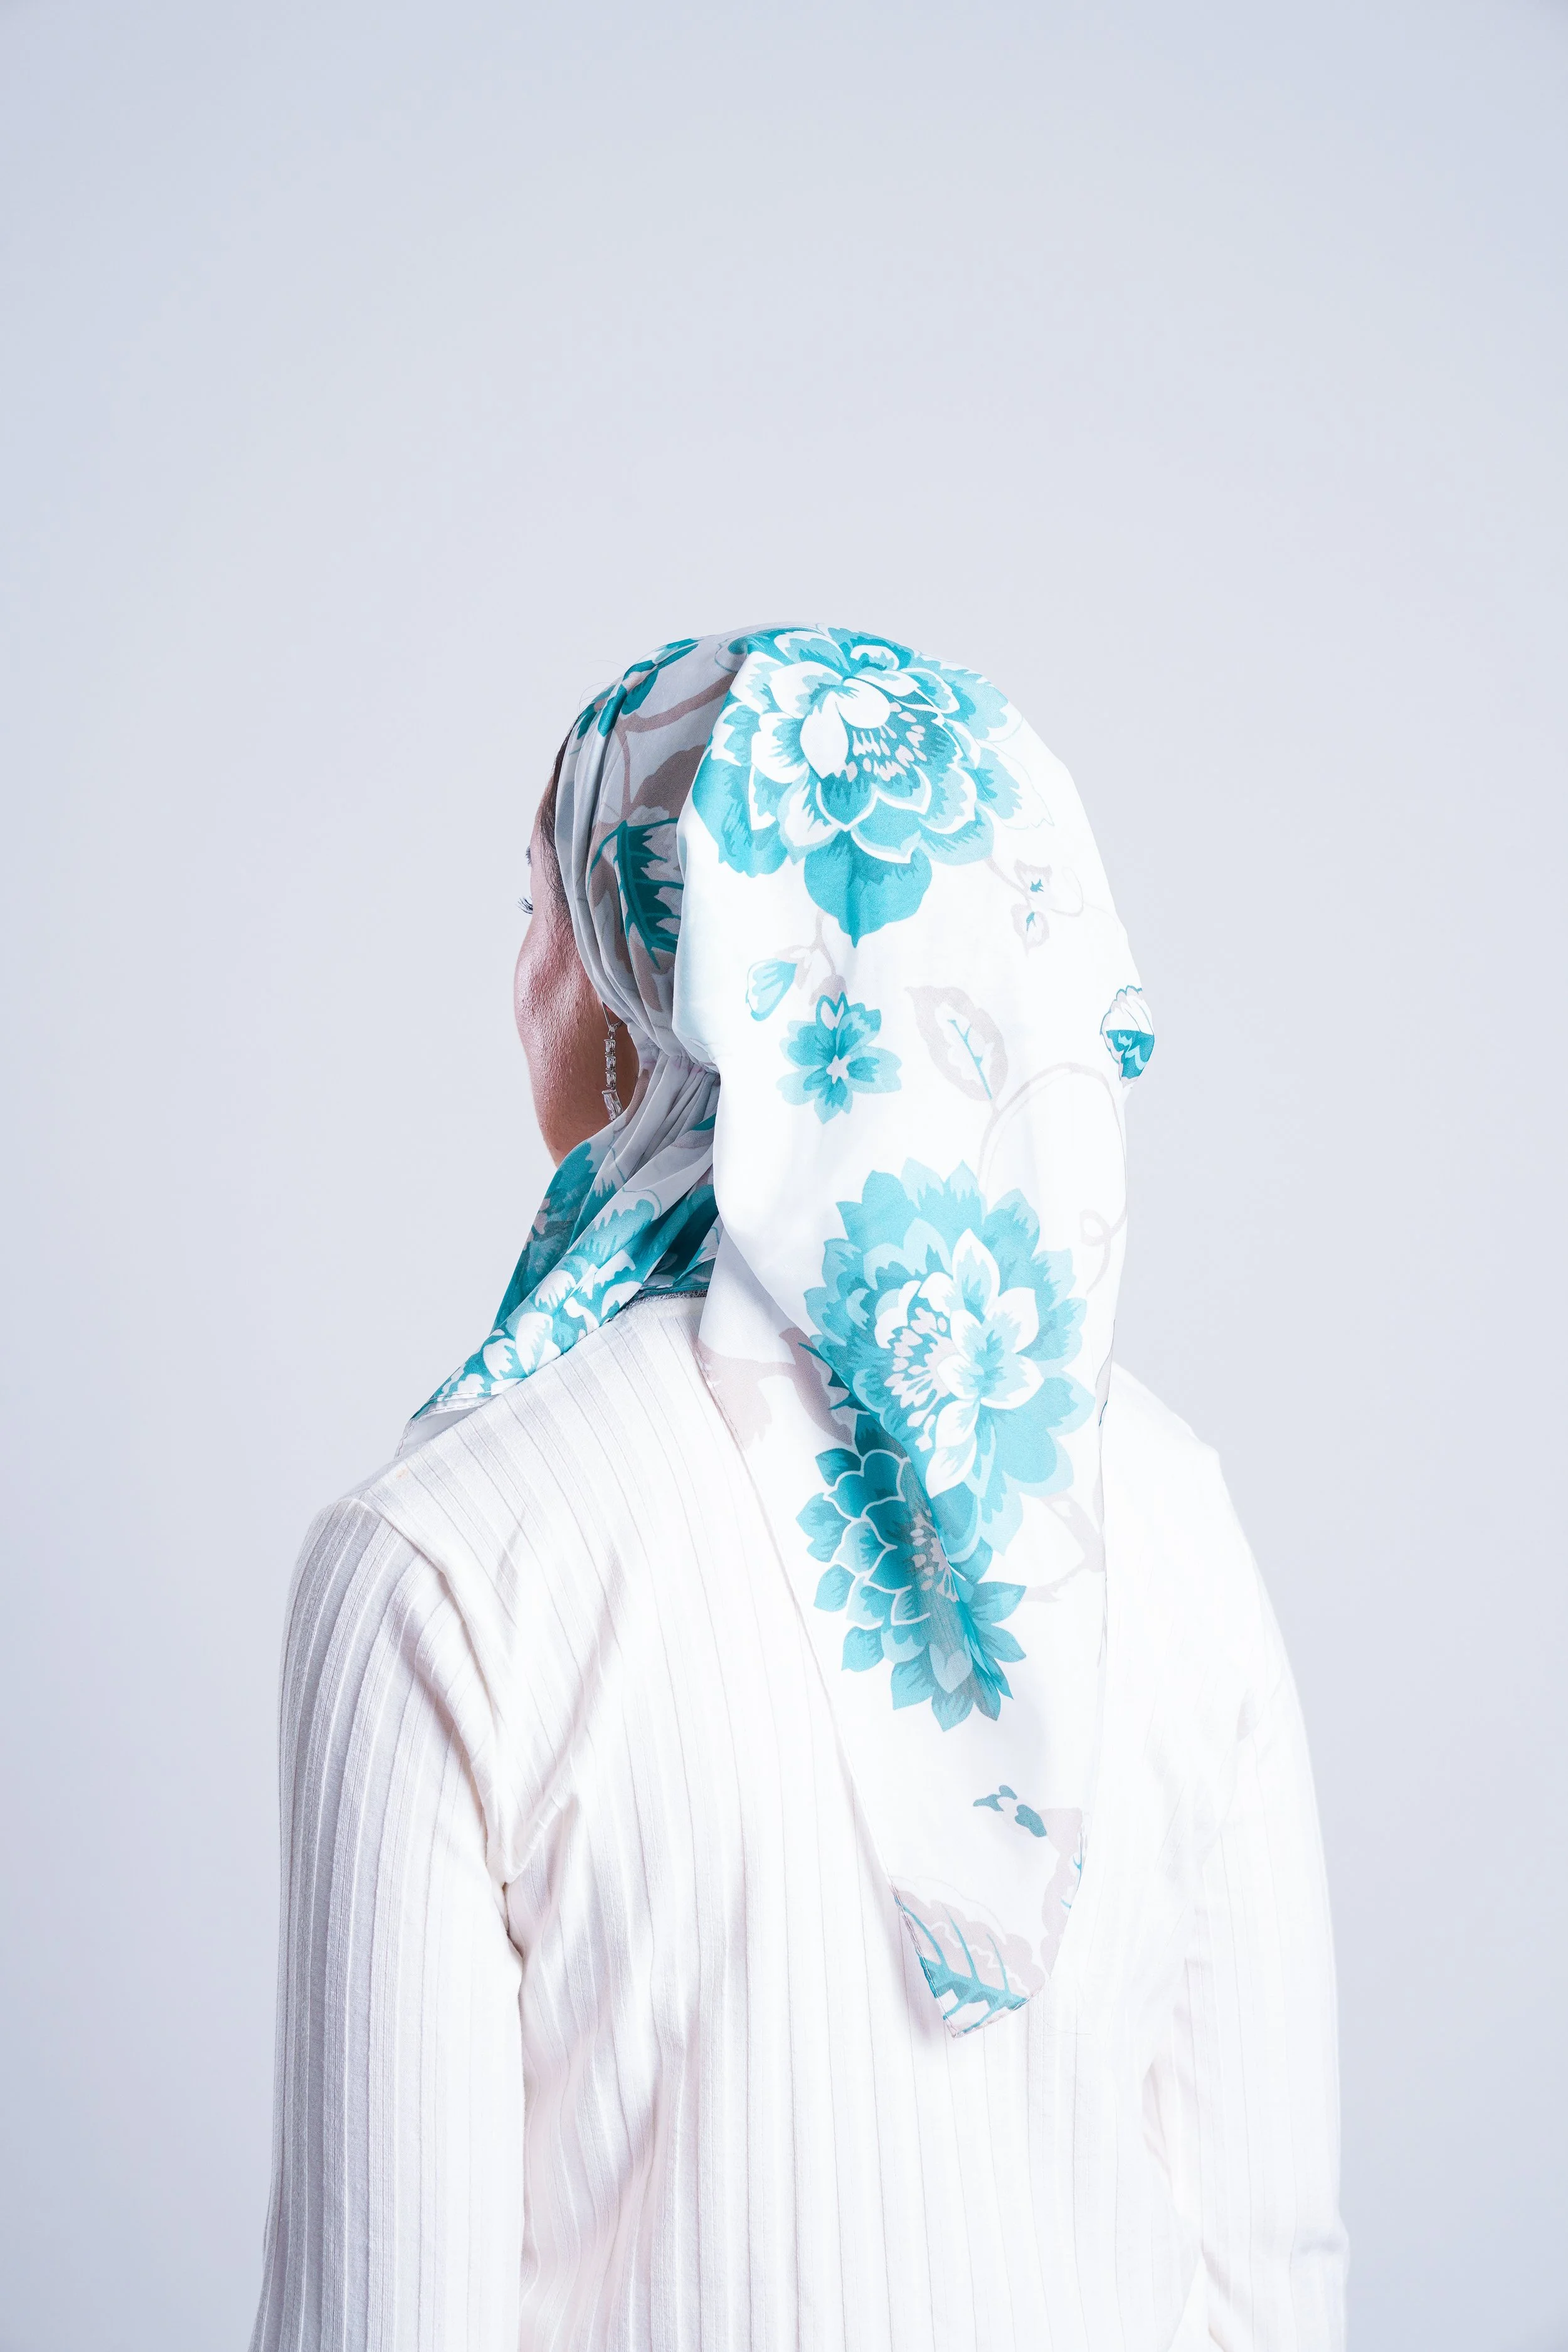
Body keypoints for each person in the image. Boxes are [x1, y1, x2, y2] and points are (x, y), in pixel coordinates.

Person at [250, 630, 1347, 2351]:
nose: (520, 971)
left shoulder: (446, 1556)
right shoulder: (1167, 1503)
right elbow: (1272, 2275)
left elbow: (381, 2320)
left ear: (653, 983)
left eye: (537, 906)